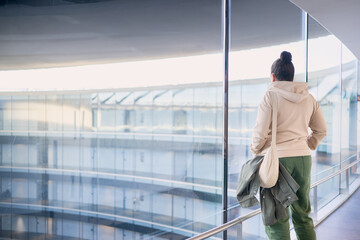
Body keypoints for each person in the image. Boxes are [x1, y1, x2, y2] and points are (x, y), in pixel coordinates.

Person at [250, 51, 327, 240]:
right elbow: (321, 130)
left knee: (277, 219)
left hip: (278, 162)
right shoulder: (308, 98)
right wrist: (306, 145)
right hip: (303, 159)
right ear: (292, 77)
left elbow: (259, 135)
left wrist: (256, 150)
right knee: (302, 215)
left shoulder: (270, 96)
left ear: (273, 77)